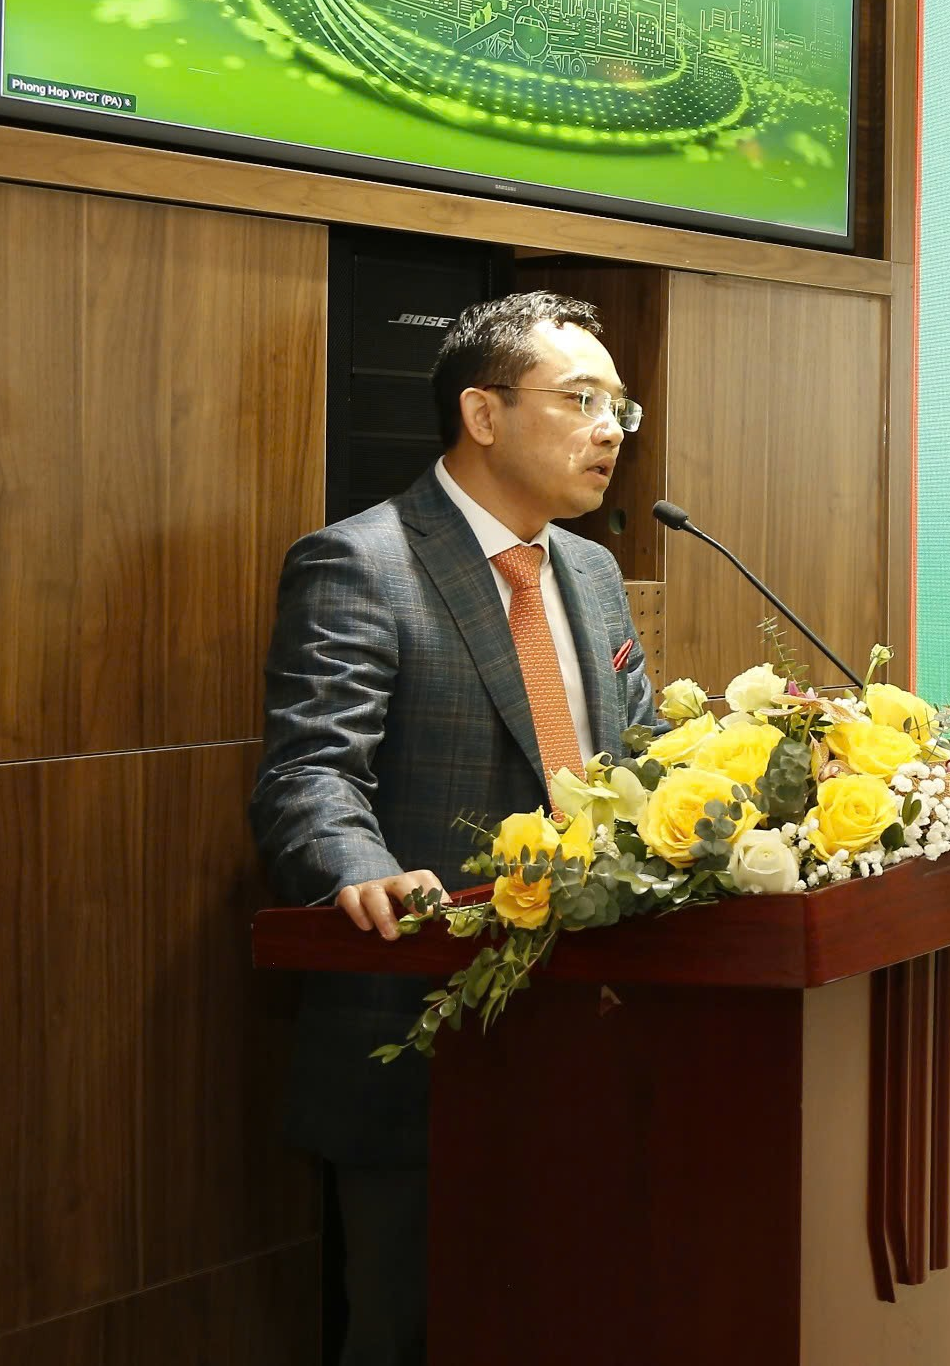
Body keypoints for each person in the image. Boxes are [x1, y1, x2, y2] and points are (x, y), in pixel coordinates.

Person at [248, 292, 657, 1366]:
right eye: (582, 400)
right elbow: (310, 771)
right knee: (410, 1326)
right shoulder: (361, 563)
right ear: (482, 413)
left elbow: (639, 757)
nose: (611, 429)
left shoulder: (593, 571)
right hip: (425, 1022)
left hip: (591, 1020)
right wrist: (363, 870)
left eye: (621, 406)